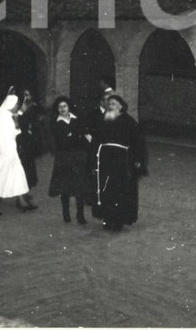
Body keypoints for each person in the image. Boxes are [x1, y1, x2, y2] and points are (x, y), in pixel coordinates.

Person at [90, 94, 147, 232]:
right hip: (104, 160)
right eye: (109, 104)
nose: (110, 106)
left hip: (122, 160)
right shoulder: (103, 120)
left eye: (114, 104)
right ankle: (106, 218)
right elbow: (95, 141)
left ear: (121, 106)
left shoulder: (129, 122)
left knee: (120, 190)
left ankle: (118, 220)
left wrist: (138, 159)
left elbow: (138, 142)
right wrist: (92, 160)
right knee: (105, 188)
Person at [0, 90, 31, 216]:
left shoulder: (9, 115)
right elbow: (2, 139)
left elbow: (15, 131)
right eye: (16, 104)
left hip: (9, 152)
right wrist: (7, 155)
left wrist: (16, 122)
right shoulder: (4, 119)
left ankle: (22, 202)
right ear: (11, 105)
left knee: (16, 176)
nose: (17, 106)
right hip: (4, 154)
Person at [48, 96, 92, 224]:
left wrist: (74, 135)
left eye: (65, 106)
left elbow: (85, 135)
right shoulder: (56, 123)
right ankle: (66, 212)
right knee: (65, 187)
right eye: (60, 107)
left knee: (80, 187)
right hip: (64, 158)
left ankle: (80, 215)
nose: (62, 109)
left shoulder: (76, 119)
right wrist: (77, 135)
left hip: (78, 157)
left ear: (69, 107)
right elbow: (62, 141)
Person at [14, 89, 43, 212]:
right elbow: (18, 124)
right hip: (21, 143)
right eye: (25, 94)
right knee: (22, 170)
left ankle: (24, 194)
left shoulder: (33, 107)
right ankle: (20, 199)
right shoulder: (18, 109)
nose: (27, 97)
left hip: (29, 142)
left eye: (29, 94)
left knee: (28, 169)